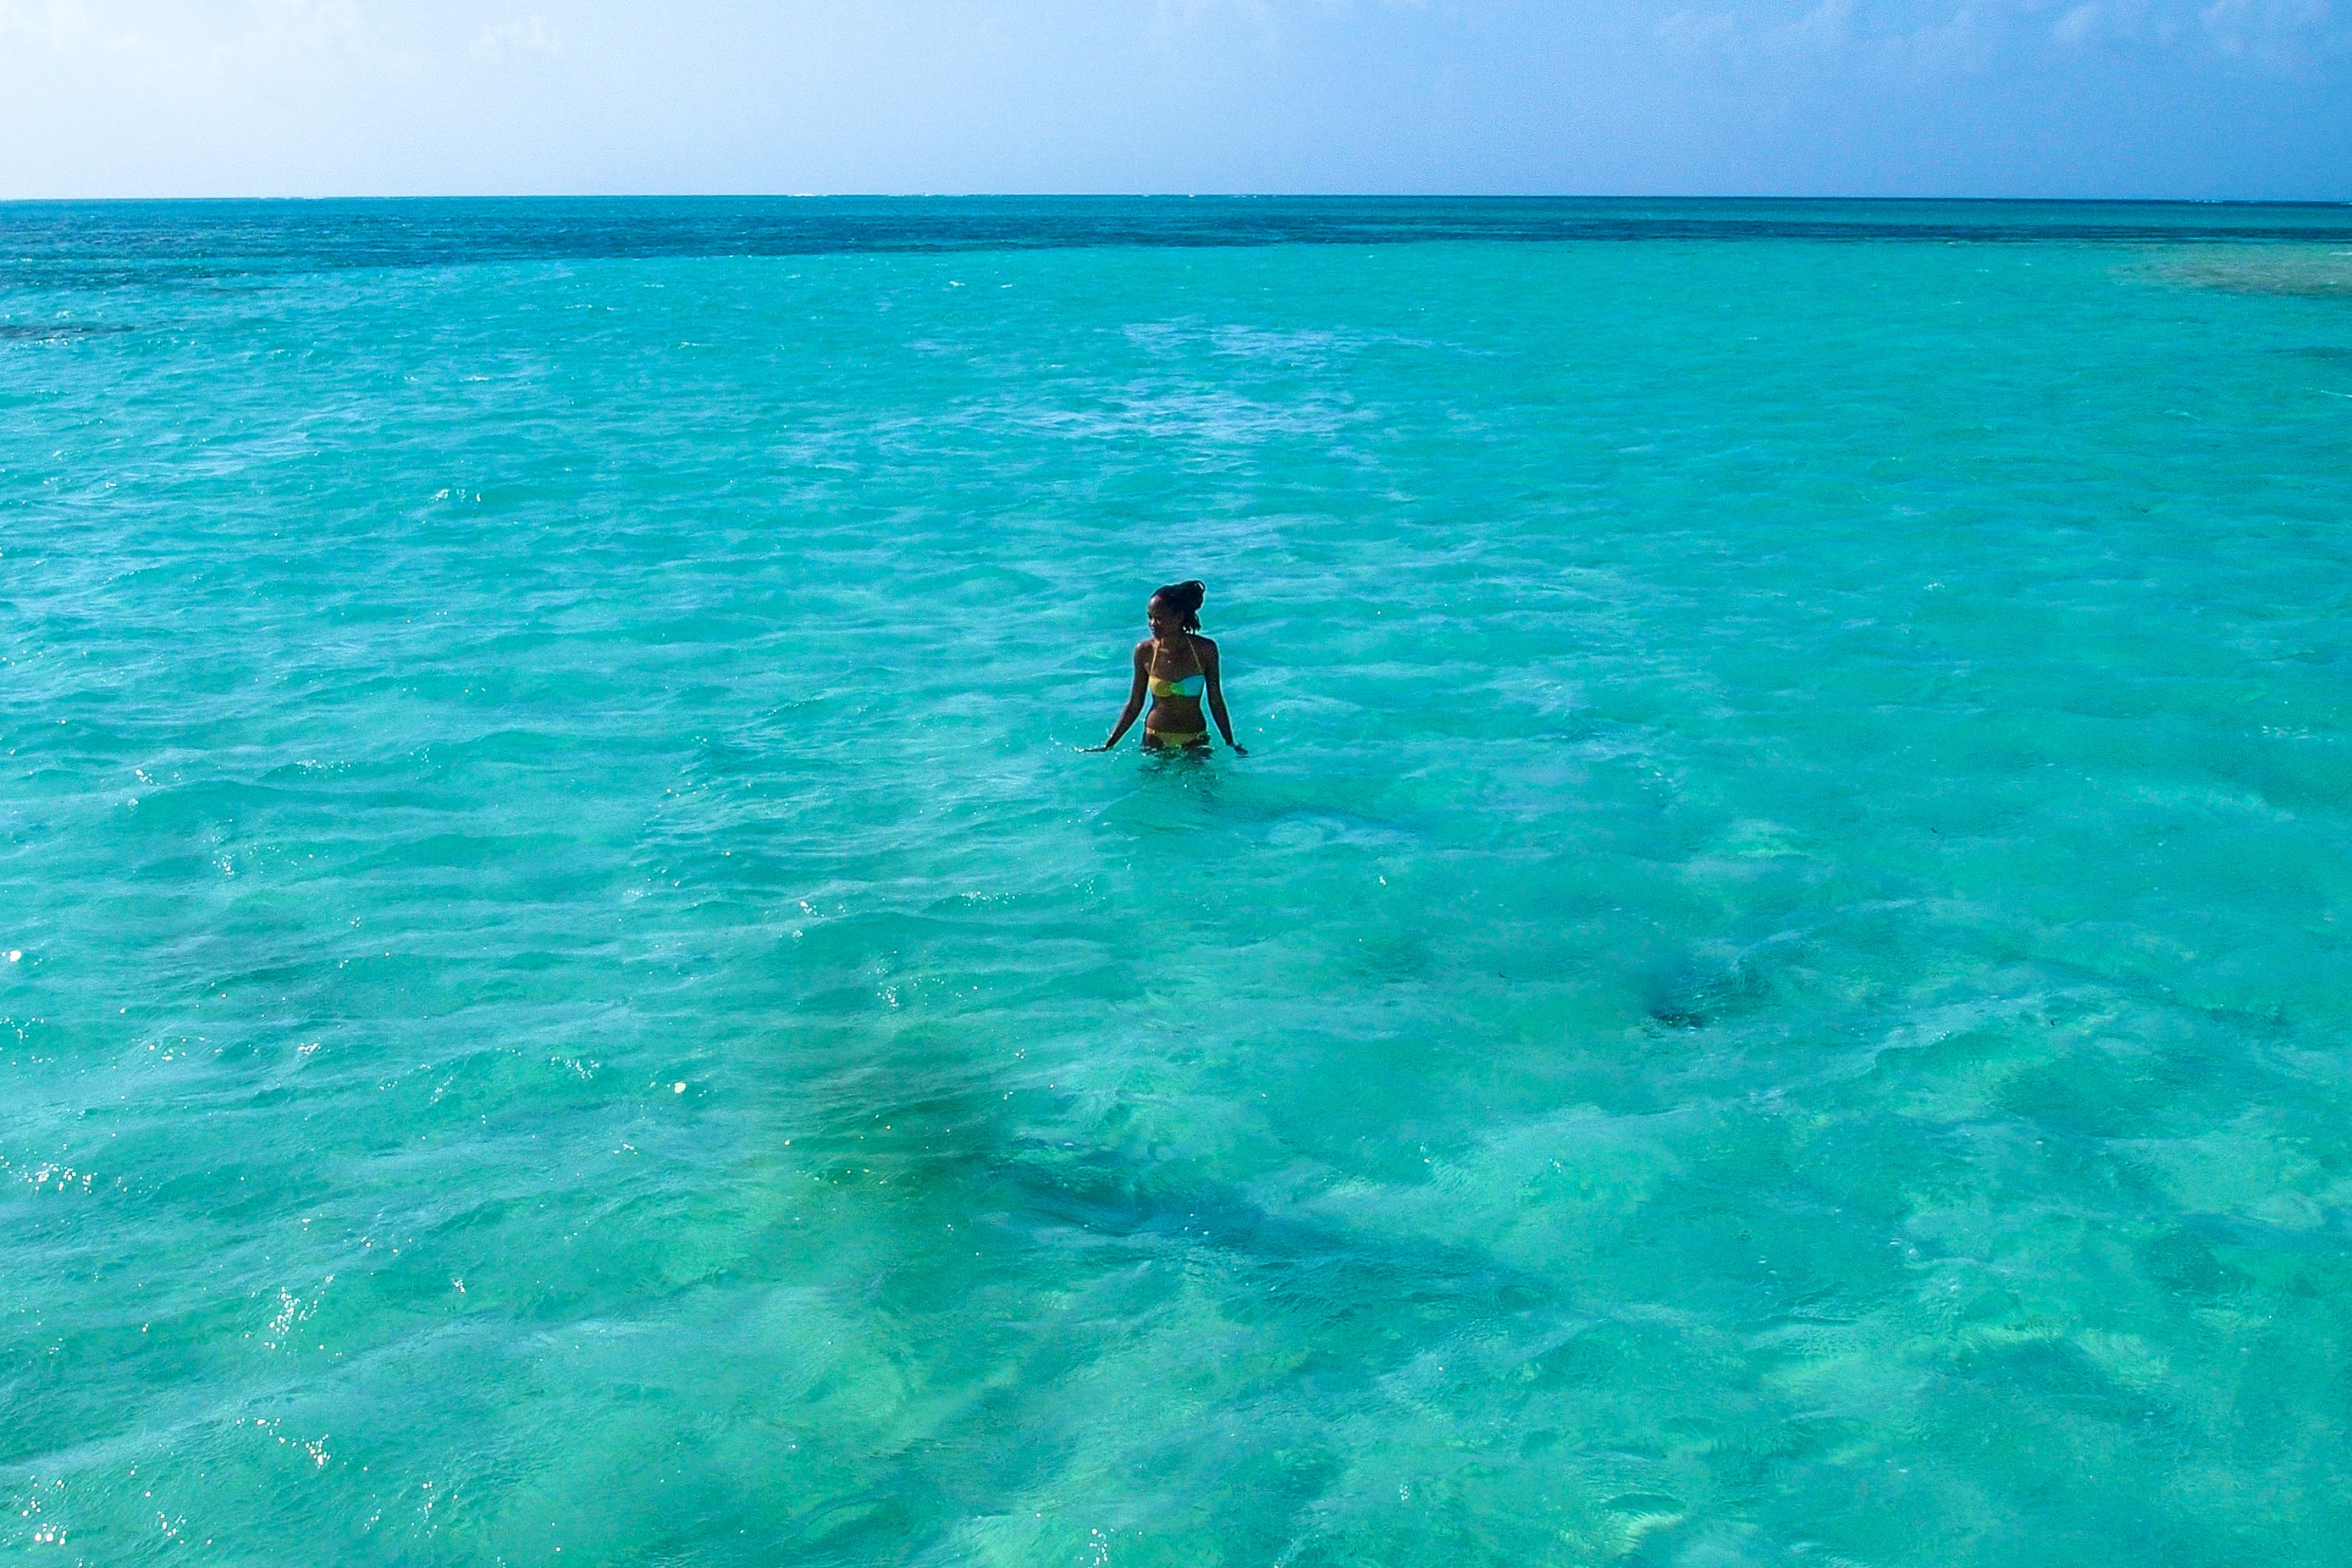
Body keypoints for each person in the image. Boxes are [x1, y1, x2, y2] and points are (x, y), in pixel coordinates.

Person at [1085, 580, 1247, 754]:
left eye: (1159, 618)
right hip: (1155, 737)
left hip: (1195, 738)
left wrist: (1230, 742)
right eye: (1150, 617)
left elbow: (1215, 700)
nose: (1153, 623)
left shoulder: (1205, 650)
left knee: (1206, 781)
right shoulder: (1145, 652)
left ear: (1179, 617)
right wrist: (1109, 745)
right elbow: (1134, 703)